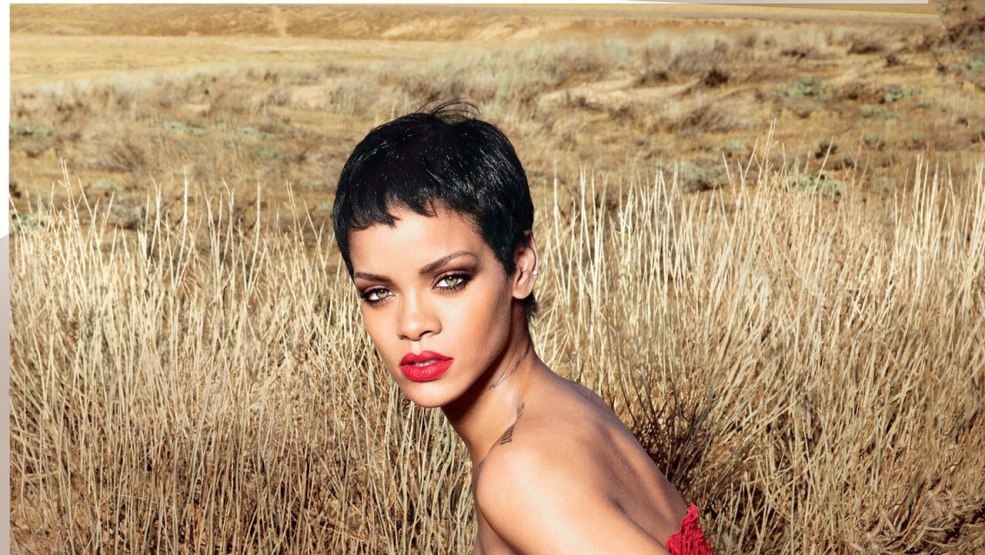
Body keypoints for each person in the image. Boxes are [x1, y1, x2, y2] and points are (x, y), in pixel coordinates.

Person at [332, 100, 712, 554]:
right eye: (379, 293)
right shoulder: (571, 405)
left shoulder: (520, 472)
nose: (413, 324)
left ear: (520, 267)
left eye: (449, 280)